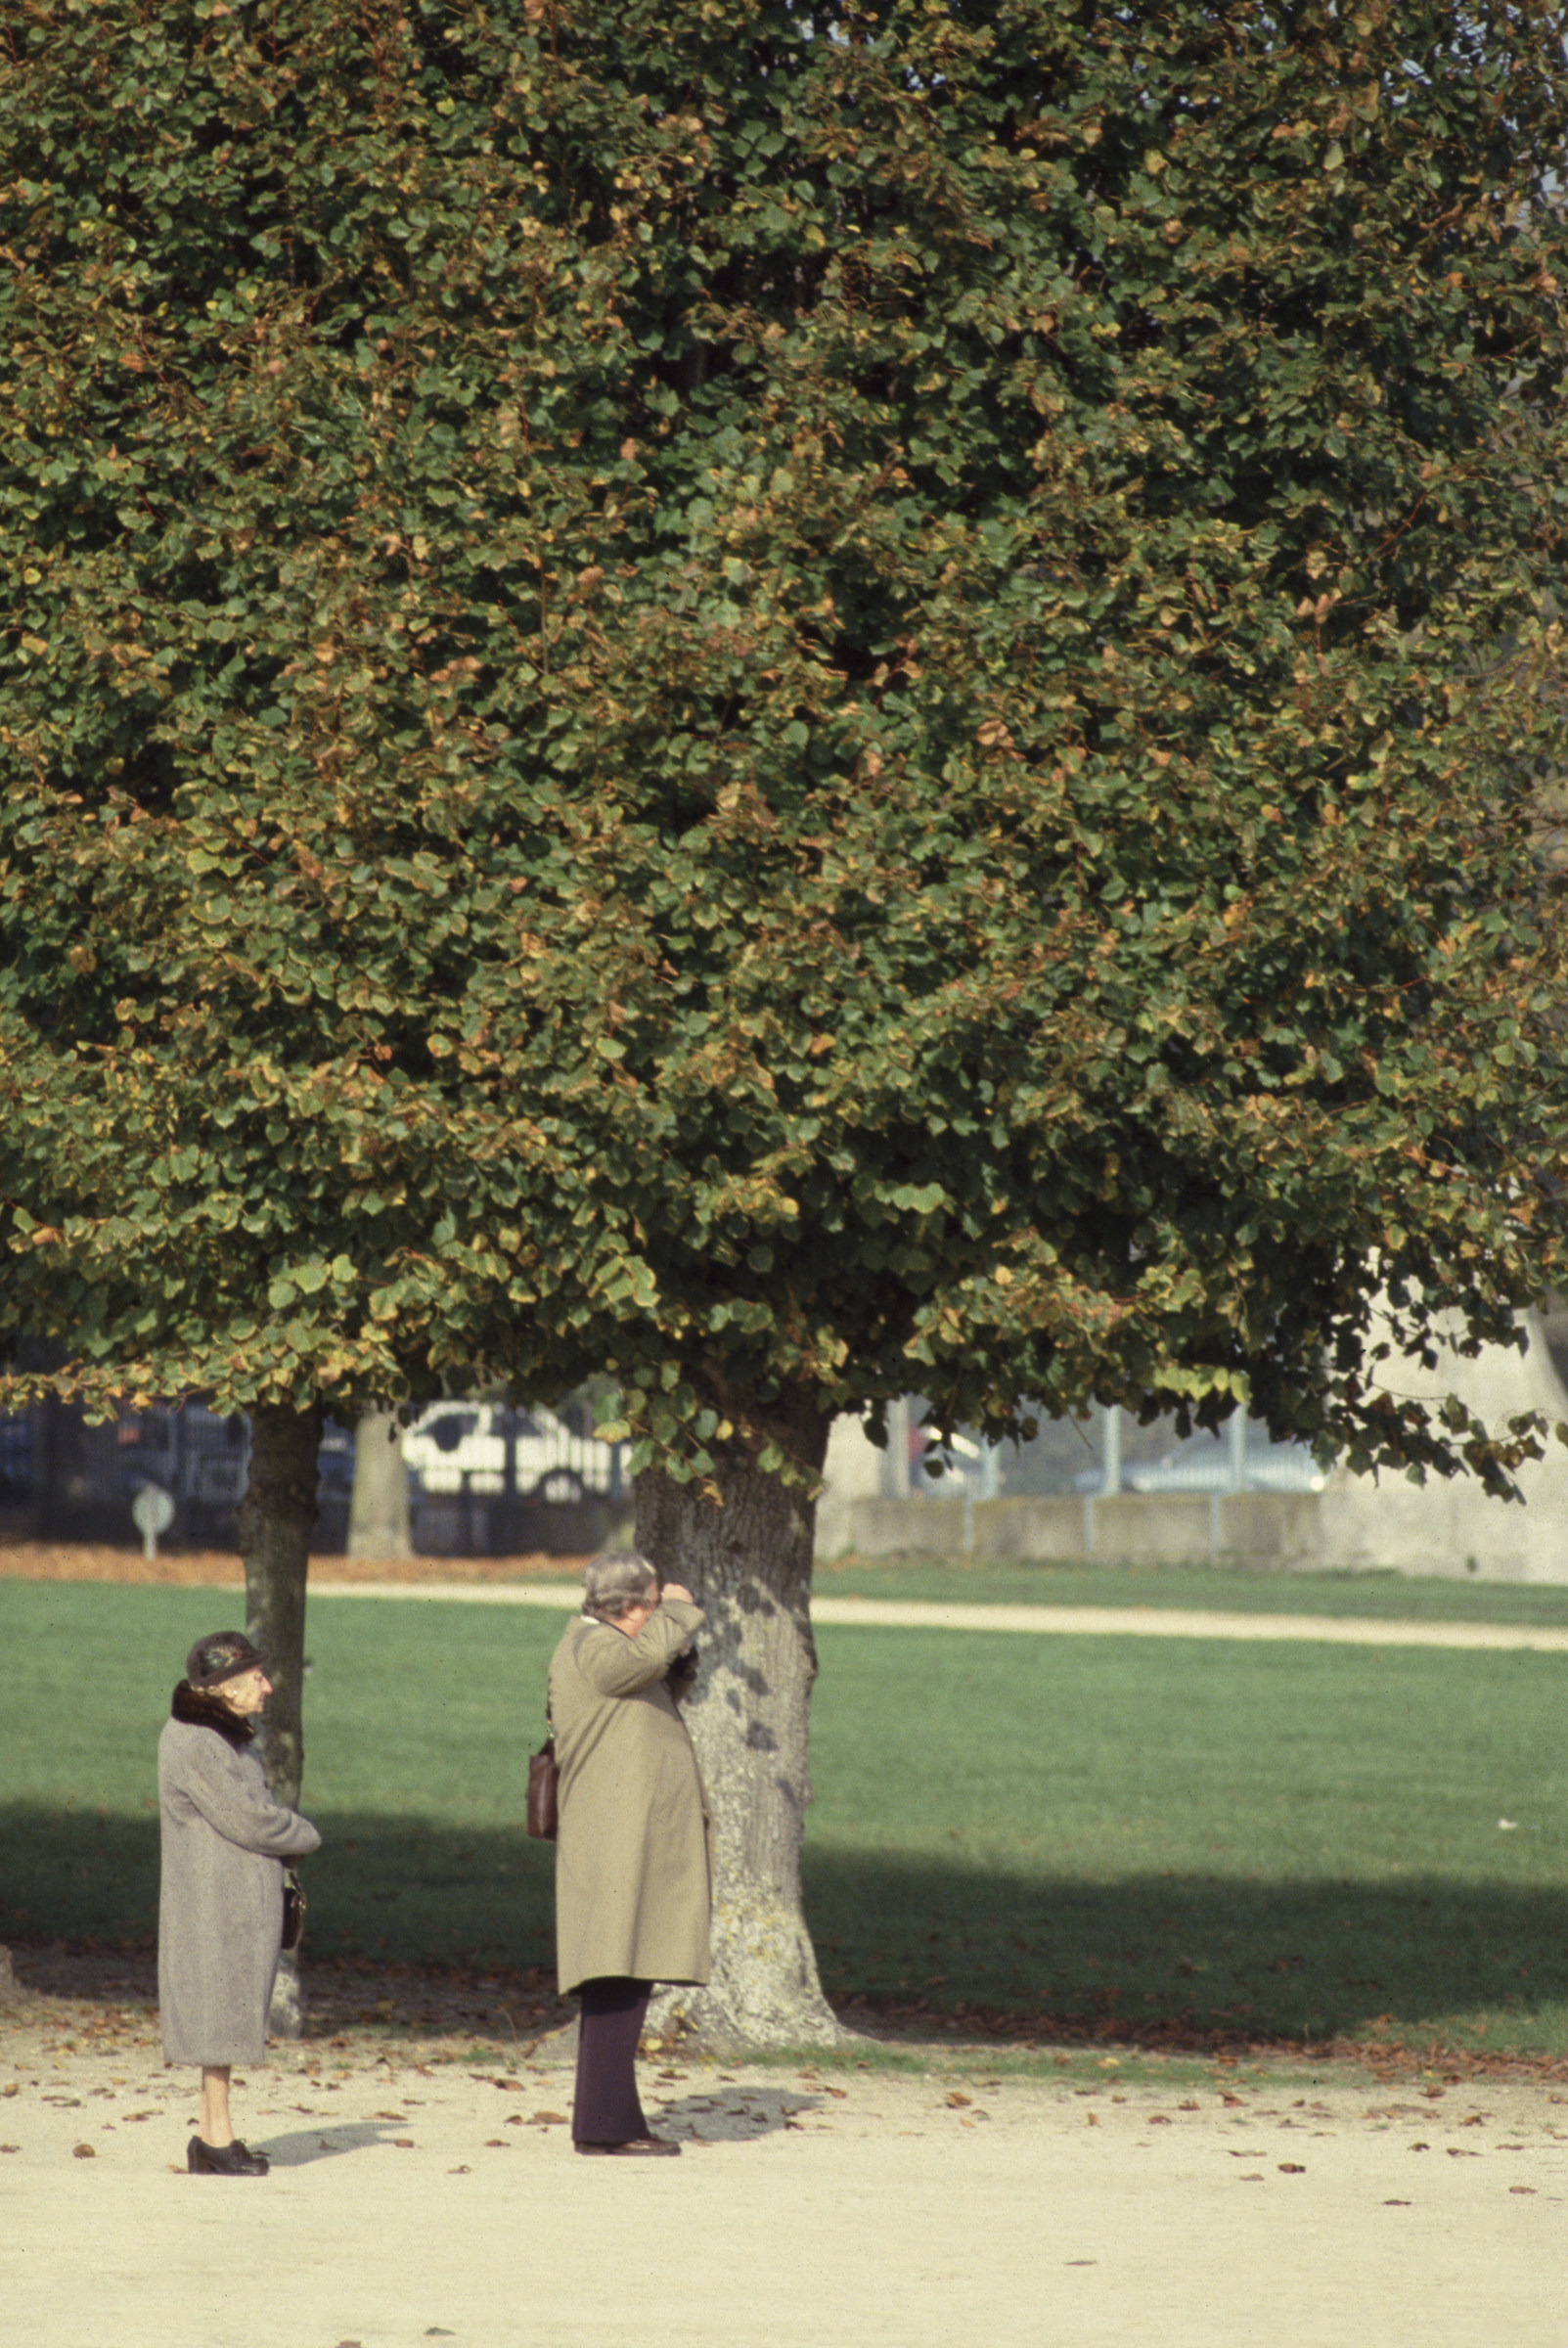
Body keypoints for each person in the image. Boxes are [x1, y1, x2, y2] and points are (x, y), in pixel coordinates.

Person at [549, 1549, 710, 2156]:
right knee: (619, 1971)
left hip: (622, 1835)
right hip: (615, 1839)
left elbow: (646, 1684)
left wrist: (677, 1658)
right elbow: (632, 1665)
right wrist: (678, 1611)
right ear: (633, 1607)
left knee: (623, 1975)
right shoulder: (596, 1647)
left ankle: (608, 2120)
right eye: (652, 1605)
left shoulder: (605, 1648)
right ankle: (607, 2126)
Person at [157, 1630, 322, 2177]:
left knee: (222, 2018)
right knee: (217, 2018)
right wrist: (304, 1835)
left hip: (227, 1902)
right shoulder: (199, 1743)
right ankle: (216, 2141)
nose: (268, 1687)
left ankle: (213, 2137)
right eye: (256, 1678)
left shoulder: (219, 1735)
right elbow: (250, 1819)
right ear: (225, 1687)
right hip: (214, 1906)